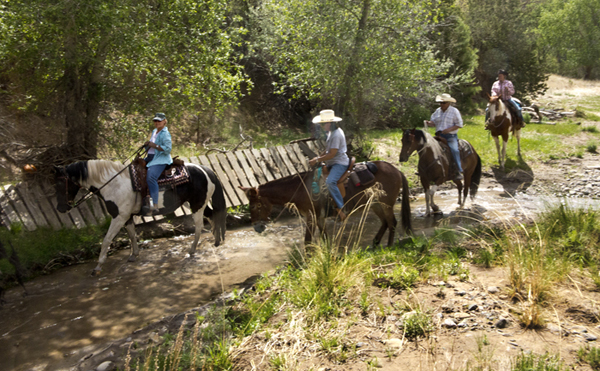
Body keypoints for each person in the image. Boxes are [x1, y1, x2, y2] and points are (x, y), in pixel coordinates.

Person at [308, 109, 349, 221]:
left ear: (329, 123)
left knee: (330, 182)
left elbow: (332, 154)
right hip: (333, 162)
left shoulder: (336, 135)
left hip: (339, 163)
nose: (321, 126)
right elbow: (327, 151)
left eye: (322, 124)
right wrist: (317, 158)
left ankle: (341, 208)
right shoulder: (331, 133)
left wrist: (317, 160)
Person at [424, 93, 464, 181]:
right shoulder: (437, 111)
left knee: (454, 150)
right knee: (427, 148)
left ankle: (458, 170)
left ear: (448, 103)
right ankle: (425, 169)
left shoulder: (454, 111)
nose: (442, 105)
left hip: (450, 136)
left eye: (444, 103)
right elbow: (434, 123)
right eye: (441, 103)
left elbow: (459, 124)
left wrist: (449, 129)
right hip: (438, 135)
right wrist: (429, 123)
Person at [143, 112, 172, 215]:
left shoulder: (165, 134)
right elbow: (152, 145)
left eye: (159, 121)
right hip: (150, 157)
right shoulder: (154, 131)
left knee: (151, 177)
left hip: (160, 159)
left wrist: (154, 145)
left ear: (164, 121)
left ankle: (155, 204)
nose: (157, 122)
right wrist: (147, 145)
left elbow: (168, 149)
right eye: (155, 121)